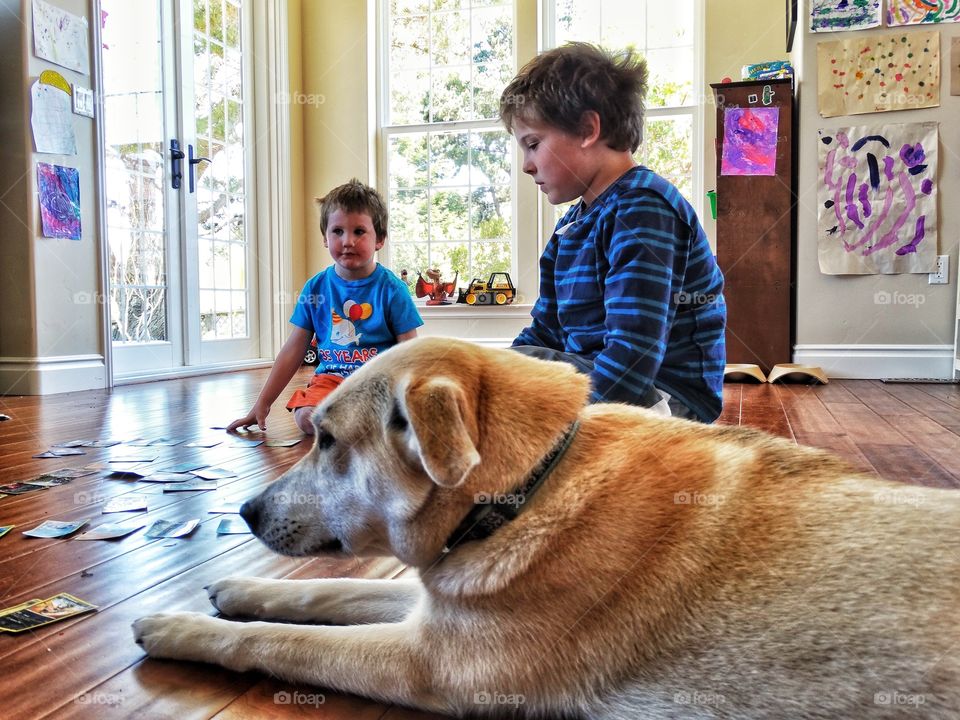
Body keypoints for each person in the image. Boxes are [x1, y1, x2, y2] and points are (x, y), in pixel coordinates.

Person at [499, 42, 726, 423]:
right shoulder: (571, 226)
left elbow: (633, 356)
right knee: (487, 369)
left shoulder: (644, 207)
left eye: (533, 145)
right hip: (600, 379)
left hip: (665, 397)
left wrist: (542, 414)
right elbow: (545, 332)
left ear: (588, 129)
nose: (526, 166)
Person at [227, 179, 422, 435]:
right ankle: (361, 425)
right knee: (307, 417)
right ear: (325, 238)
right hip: (330, 380)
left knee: (405, 414)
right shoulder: (315, 288)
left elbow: (412, 351)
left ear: (380, 239)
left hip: (379, 381)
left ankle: (367, 422)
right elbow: (293, 350)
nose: (347, 241)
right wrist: (262, 403)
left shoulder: (393, 289)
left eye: (359, 232)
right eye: (337, 231)